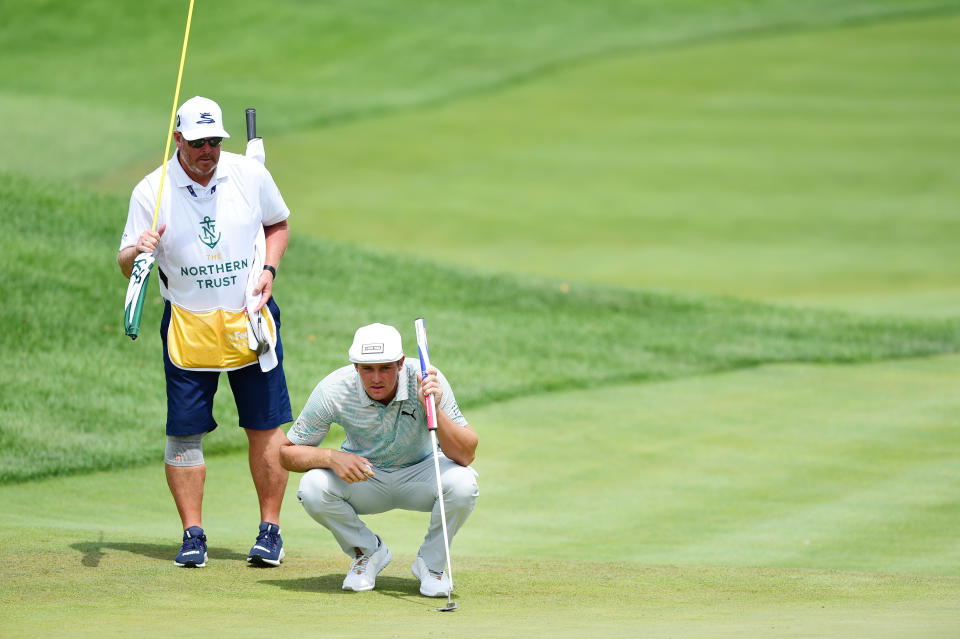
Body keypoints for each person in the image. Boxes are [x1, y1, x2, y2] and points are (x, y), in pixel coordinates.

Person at [117, 96, 292, 568]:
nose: (207, 150)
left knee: (266, 427)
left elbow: (277, 222)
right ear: (178, 140)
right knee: (185, 433)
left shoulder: (248, 174)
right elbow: (125, 264)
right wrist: (141, 250)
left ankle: (270, 531)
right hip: (188, 325)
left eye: (214, 140)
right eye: (197, 142)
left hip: (250, 317)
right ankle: (193, 534)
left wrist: (269, 270)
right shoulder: (151, 191)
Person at [279, 323, 479, 597]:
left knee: (464, 482)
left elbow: (466, 454)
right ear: (355, 367)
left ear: (400, 363)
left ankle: (431, 565)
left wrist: (432, 407)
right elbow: (287, 454)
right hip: (365, 476)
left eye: (385, 367)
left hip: (421, 474)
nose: (376, 378)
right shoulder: (334, 389)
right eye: (367, 369)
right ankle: (368, 552)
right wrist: (330, 457)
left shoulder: (427, 379)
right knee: (312, 487)